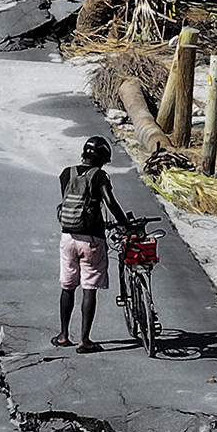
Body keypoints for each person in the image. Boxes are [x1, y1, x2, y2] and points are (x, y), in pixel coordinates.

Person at [54, 135, 131, 353]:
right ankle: (85, 340)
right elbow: (110, 203)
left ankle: (62, 335)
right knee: (89, 288)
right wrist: (125, 225)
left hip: (68, 237)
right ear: (103, 157)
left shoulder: (66, 174)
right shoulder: (99, 176)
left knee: (68, 286)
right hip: (91, 241)